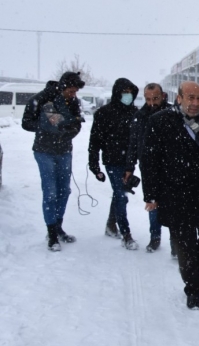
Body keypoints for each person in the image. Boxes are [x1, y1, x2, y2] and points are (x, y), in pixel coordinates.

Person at [141, 81, 199, 310]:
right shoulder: (161, 122)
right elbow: (149, 161)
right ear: (179, 98)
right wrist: (151, 195)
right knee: (185, 244)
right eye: (190, 98)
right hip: (176, 194)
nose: (195, 103)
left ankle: (193, 273)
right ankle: (193, 290)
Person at [22, 71, 85, 251]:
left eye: (75, 92)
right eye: (71, 91)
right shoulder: (42, 99)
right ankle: (51, 234)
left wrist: (68, 131)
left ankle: (58, 226)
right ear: (63, 86)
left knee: (64, 191)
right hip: (44, 151)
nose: (73, 95)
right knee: (50, 191)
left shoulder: (73, 102)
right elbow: (26, 123)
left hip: (64, 150)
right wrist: (45, 128)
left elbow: (77, 125)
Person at [88, 78, 140, 250]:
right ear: (117, 93)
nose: (128, 95)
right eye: (125, 92)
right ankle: (126, 234)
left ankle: (111, 225)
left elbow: (139, 139)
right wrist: (94, 166)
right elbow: (94, 142)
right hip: (112, 161)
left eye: (130, 92)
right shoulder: (104, 113)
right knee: (121, 195)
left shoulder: (135, 113)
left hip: (129, 162)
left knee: (120, 194)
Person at [124, 82, 175, 254]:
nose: (152, 102)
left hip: (170, 166)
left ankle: (175, 242)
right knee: (152, 202)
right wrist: (129, 167)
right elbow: (133, 143)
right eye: (148, 99)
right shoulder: (140, 116)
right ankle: (155, 237)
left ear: (163, 96)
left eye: (155, 98)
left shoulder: (172, 113)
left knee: (173, 203)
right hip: (148, 166)